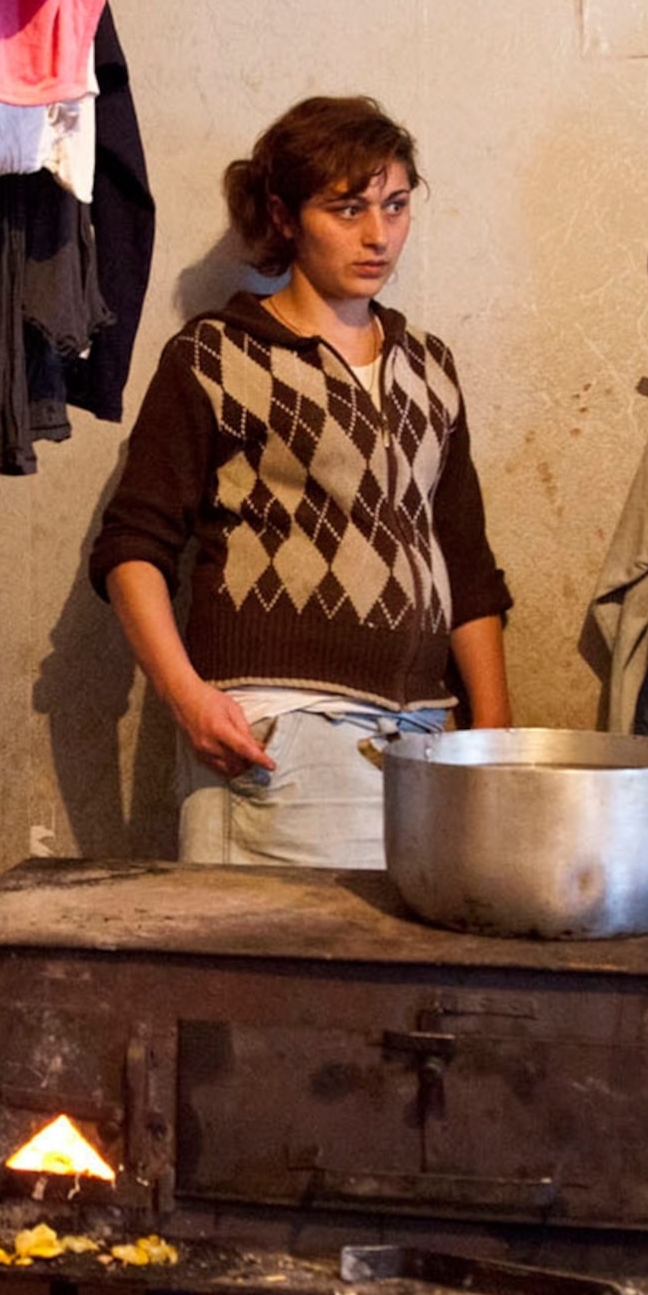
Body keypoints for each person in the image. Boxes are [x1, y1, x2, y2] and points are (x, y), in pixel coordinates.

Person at [87, 95, 513, 867]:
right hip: (281, 734)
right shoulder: (215, 356)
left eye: (395, 204)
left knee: (402, 984)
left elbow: (467, 564)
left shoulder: (429, 369)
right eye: (346, 209)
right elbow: (132, 548)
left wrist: (495, 741)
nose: (377, 234)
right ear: (284, 217)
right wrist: (189, 699)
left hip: (425, 737)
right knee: (282, 984)